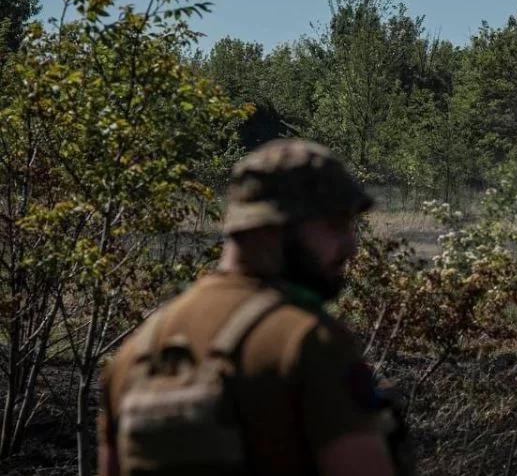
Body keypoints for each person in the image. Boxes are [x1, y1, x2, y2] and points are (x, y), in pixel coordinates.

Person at [98, 139, 411, 475]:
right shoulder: (307, 342)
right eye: (334, 227)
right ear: (268, 229)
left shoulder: (134, 355)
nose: (350, 246)